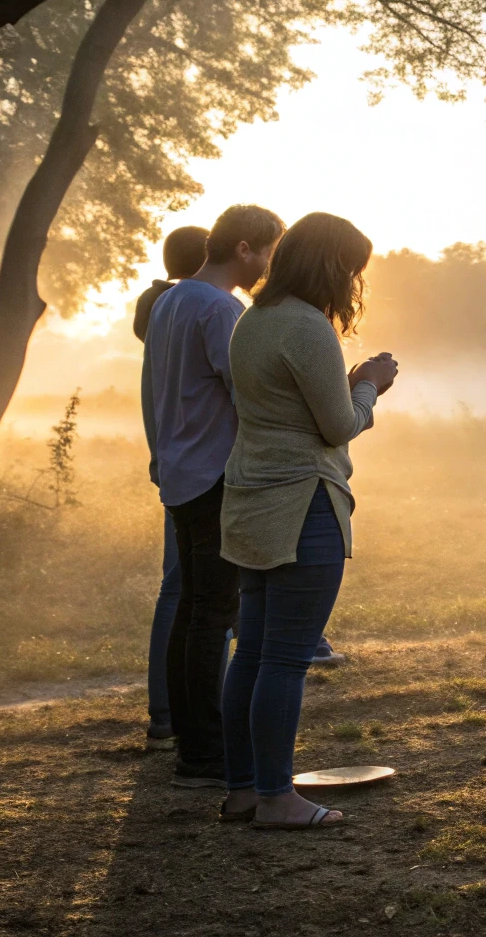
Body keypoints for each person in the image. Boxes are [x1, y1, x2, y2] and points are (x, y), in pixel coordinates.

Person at [217, 212, 398, 829]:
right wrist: (369, 386)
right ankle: (277, 798)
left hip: (252, 501)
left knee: (252, 655)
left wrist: (342, 388)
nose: (353, 286)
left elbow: (291, 406)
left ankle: (244, 789)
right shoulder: (308, 327)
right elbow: (339, 426)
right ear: (331, 267)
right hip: (304, 505)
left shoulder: (255, 320)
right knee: (286, 660)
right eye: (351, 271)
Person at [142, 204, 283, 787]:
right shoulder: (222, 308)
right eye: (269, 252)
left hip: (178, 469)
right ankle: (204, 752)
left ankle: (188, 737)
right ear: (246, 248)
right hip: (213, 473)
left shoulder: (172, 300)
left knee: (193, 611)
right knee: (214, 616)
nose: (270, 265)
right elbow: (248, 387)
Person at [133, 224, 209, 751]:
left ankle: (166, 711)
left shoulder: (160, 315)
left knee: (178, 588)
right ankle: (188, 714)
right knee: (197, 592)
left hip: (174, 466)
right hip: (202, 471)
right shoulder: (193, 315)